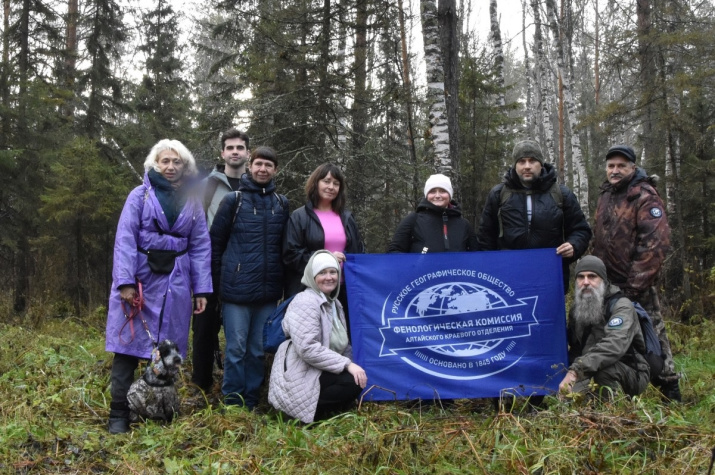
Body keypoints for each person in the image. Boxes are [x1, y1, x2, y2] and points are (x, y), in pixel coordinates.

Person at [105, 139, 212, 434]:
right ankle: (119, 415)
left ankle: (160, 411)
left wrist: (201, 289)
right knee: (127, 349)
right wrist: (125, 282)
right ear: (155, 164)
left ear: (185, 167)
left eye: (177, 162)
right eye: (165, 161)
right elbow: (125, 239)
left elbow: (201, 245)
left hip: (176, 282)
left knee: (168, 352)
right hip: (140, 280)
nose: (171, 167)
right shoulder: (139, 196)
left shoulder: (192, 201)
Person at [592, 144, 681, 401]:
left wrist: (633, 287)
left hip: (636, 284)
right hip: (608, 284)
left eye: (621, 166)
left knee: (652, 331)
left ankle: (669, 387)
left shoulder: (645, 196)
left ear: (633, 167)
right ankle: (621, 385)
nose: (615, 171)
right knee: (612, 333)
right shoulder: (607, 195)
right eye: (611, 166)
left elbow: (655, 245)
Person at [210, 146, 289, 409]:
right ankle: (233, 402)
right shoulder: (234, 200)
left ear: (275, 169)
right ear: (250, 166)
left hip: (268, 293)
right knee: (235, 349)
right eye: (258, 164)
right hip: (236, 292)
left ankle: (252, 400)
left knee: (257, 350)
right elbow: (215, 245)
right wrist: (217, 286)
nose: (263, 169)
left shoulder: (282, 204)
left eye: (268, 165)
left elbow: (284, 249)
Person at [476, 139, 592, 293]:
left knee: (549, 317)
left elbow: (581, 230)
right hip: (508, 277)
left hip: (550, 276)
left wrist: (574, 246)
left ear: (541, 164)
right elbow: (485, 237)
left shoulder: (561, 194)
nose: (527, 166)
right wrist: (492, 270)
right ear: (515, 165)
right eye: (522, 161)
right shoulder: (499, 194)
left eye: (532, 161)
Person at [269, 251, 367, 423]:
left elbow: (343, 345)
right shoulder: (305, 301)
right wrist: (348, 365)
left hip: (319, 369)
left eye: (333, 272)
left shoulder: (334, 303)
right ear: (312, 276)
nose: (328, 277)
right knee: (351, 382)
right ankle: (299, 417)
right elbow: (307, 348)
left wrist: (352, 365)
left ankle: (324, 412)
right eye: (322, 273)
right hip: (300, 373)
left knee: (356, 380)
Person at [191, 128, 250, 393]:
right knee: (205, 327)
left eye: (240, 148)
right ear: (222, 153)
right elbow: (194, 226)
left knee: (241, 331)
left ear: (247, 153)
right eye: (230, 148)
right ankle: (201, 384)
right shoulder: (208, 186)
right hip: (211, 266)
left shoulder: (254, 185)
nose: (235, 152)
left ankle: (241, 384)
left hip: (245, 268)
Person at [283, 163, 365, 330]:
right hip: (310, 292)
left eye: (336, 183)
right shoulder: (299, 217)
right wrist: (326, 259)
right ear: (316, 183)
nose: (331, 187)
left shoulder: (347, 217)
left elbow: (359, 252)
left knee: (344, 341)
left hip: (344, 291)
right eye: (326, 181)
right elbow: (291, 255)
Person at [558, 256, 650, 398]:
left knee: (605, 373)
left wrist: (576, 371)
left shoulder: (621, 306)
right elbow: (576, 348)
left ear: (603, 279)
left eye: (592, 276)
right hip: (590, 369)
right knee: (563, 396)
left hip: (629, 370)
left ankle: (615, 408)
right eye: (581, 277)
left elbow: (615, 344)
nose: (586, 282)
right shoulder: (577, 309)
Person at [388, 173, 478, 253]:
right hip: (422, 272)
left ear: (450, 195)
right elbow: (394, 252)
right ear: (427, 195)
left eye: (443, 191)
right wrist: (413, 267)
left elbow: (476, 256)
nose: (437, 196)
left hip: (456, 272)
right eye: (432, 191)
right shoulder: (413, 220)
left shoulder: (464, 224)